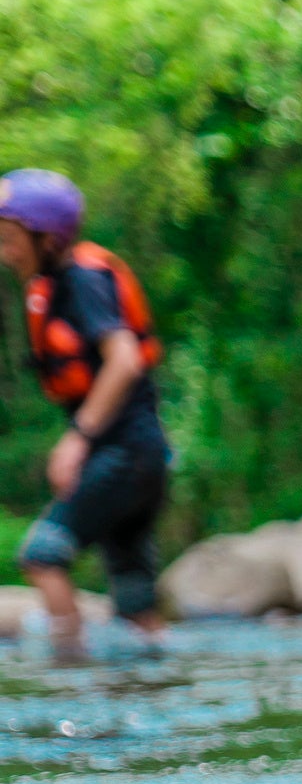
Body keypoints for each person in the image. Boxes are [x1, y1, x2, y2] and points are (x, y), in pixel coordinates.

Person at [0, 170, 169, 662]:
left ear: (47, 239)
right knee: (135, 604)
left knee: (42, 556)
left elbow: (125, 359)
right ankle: (154, 683)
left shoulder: (81, 279)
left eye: (10, 240)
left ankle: (73, 680)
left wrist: (77, 438)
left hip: (125, 452)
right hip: (139, 454)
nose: (5, 253)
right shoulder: (56, 284)